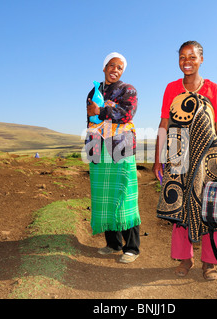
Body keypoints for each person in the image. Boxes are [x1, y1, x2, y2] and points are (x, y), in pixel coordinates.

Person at [153, 41, 217, 280]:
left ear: (201, 60)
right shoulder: (170, 88)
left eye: (192, 56)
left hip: (210, 156)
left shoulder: (213, 89)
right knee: (179, 205)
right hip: (178, 151)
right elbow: (164, 124)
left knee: (209, 209)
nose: (186, 61)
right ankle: (184, 258)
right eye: (181, 57)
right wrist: (159, 159)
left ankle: (210, 263)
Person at [85, 52, 140, 263]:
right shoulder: (94, 90)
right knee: (104, 197)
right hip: (98, 146)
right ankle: (113, 243)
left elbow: (127, 114)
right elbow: (90, 119)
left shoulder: (128, 89)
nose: (115, 70)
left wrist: (101, 111)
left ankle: (132, 247)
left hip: (121, 147)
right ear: (104, 67)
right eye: (111, 66)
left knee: (125, 196)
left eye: (119, 67)